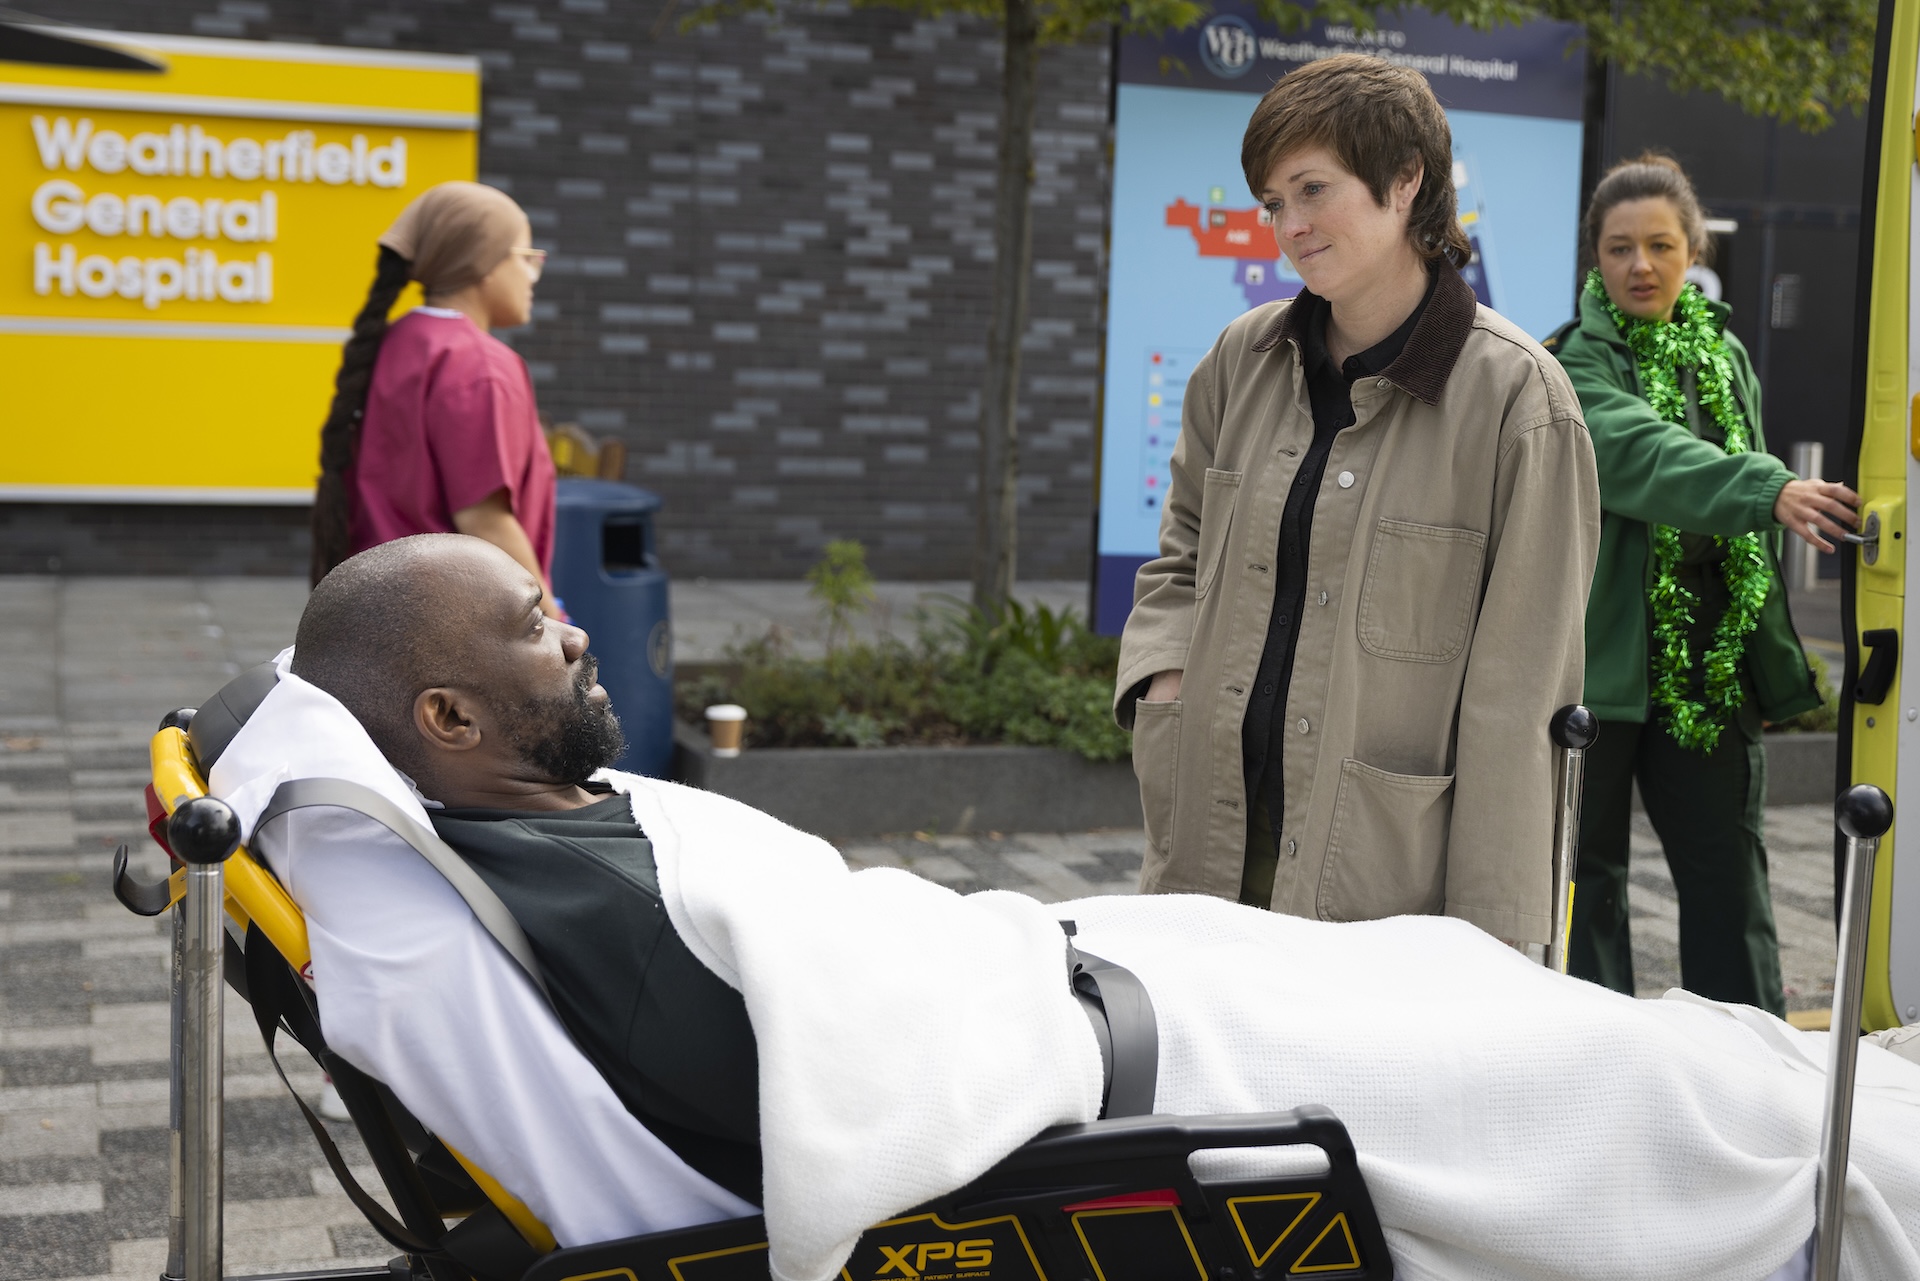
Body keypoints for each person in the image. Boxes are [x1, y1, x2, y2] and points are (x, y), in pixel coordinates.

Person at [206, 533, 1920, 1281]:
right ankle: (1831, 1169)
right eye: (533, 627)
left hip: (1071, 977)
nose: (576, 628)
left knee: (1449, 967)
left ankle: (1817, 1110)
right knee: (1596, 1079)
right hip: (1101, 1066)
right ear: (445, 718)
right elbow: (804, 1094)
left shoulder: (531, 827)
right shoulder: (530, 909)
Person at [1114, 53, 1600, 950]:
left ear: (1406, 180)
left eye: (1313, 189)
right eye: (1273, 203)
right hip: (1209, 843)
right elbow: (1180, 554)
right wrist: (1165, 680)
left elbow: (1519, 698)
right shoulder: (1240, 360)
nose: (1289, 226)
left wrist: (1491, 948)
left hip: (1382, 886)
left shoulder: (1520, 401)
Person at [1550, 155, 1858, 1014]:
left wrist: (1764, 657)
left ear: (1694, 251)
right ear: (1595, 257)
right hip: (1601, 659)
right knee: (1585, 881)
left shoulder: (1725, 355)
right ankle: (1596, 1055)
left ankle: (1750, 1056)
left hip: (1709, 657)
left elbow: (1744, 544)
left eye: (1660, 245)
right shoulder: (1571, 362)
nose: (1640, 265)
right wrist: (1768, 488)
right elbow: (1641, 454)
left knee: (1729, 875)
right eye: (1619, 248)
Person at [309, 180, 561, 617]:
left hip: (378, 606)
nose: (532, 275)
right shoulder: (481, 366)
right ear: (484, 262)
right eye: (527, 258)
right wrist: (554, 621)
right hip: (455, 618)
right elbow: (485, 521)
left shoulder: (397, 340)